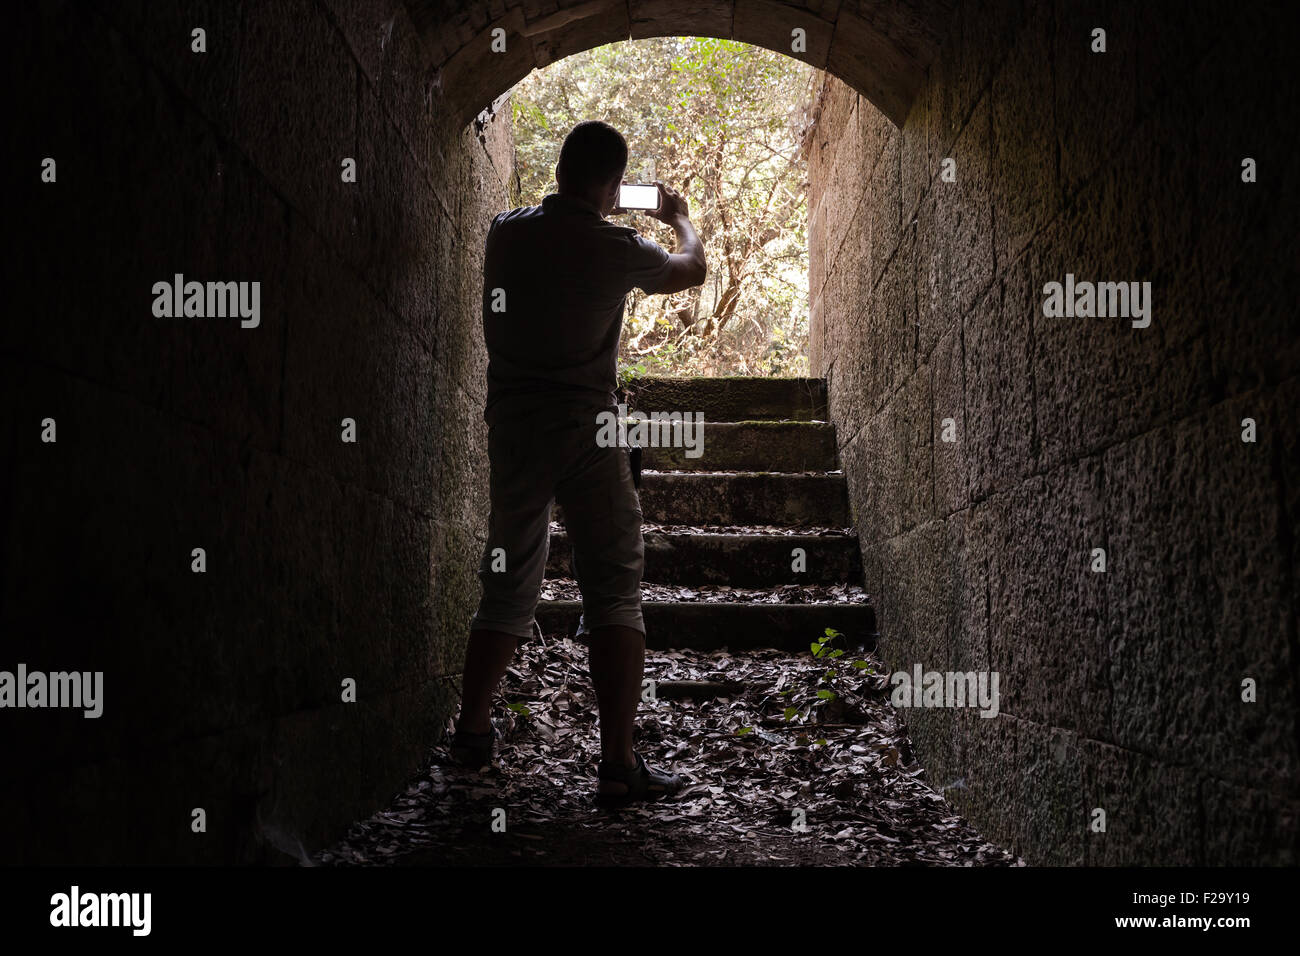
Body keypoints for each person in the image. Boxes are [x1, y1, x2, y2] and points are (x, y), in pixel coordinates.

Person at [450, 120, 707, 807]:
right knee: (615, 587)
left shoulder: (505, 230)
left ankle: (471, 732)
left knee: (506, 579)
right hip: (587, 431)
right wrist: (680, 219)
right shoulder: (614, 244)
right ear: (613, 185)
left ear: (561, 168)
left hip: (514, 430)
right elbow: (693, 270)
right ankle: (617, 764)